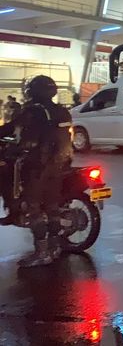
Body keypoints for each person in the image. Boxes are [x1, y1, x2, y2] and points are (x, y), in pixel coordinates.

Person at [0, 76, 73, 267]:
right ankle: (54, 248)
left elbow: (10, 128)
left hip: (37, 165)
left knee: (34, 208)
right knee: (52, 206)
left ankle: (41, 253)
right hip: (59, 165)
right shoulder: (62, 111)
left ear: (33, 91)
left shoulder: (34, 111)